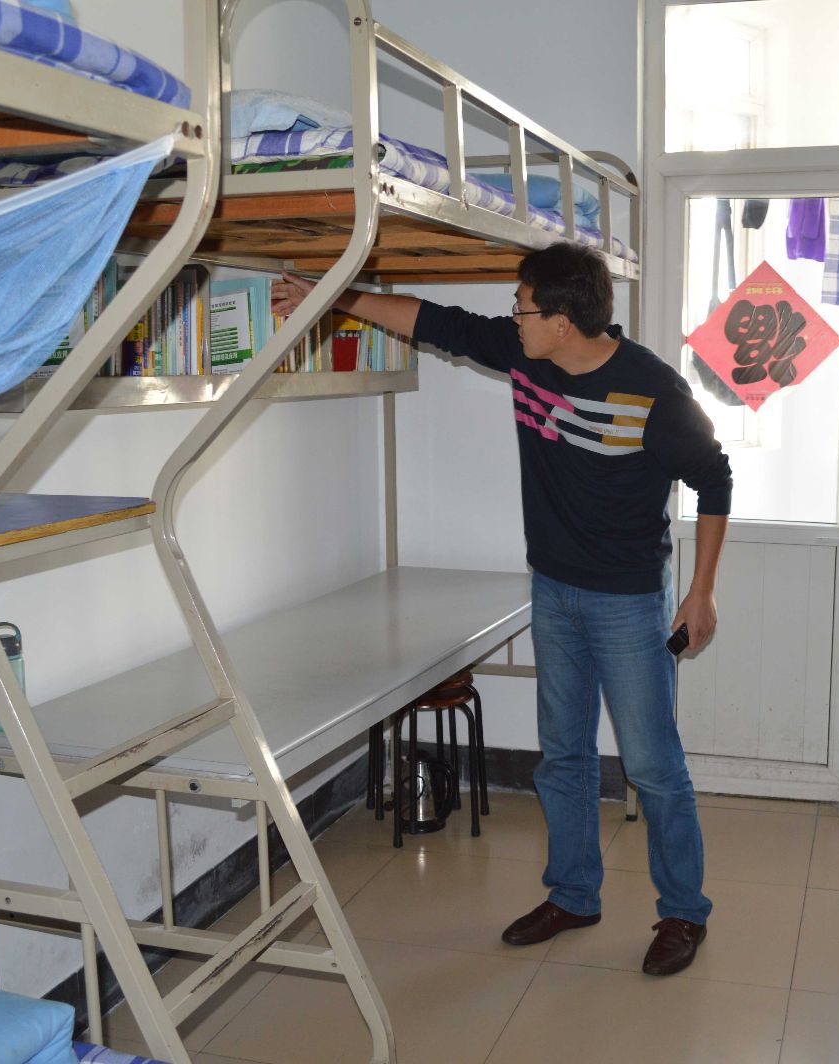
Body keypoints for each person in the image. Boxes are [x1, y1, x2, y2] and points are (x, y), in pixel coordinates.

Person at [272, 242, 731, 976]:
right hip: (553, 591)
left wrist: (700, 590)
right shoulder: (525, 354)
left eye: (522, 307)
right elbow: (431, 320)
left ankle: (683, 912)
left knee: (651, 764)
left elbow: (715, 479)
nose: (512, 318)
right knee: (564, 756)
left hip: (627, 602)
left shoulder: (654, 392)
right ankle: (574, 895)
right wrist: (334, 295)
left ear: (561, 321)